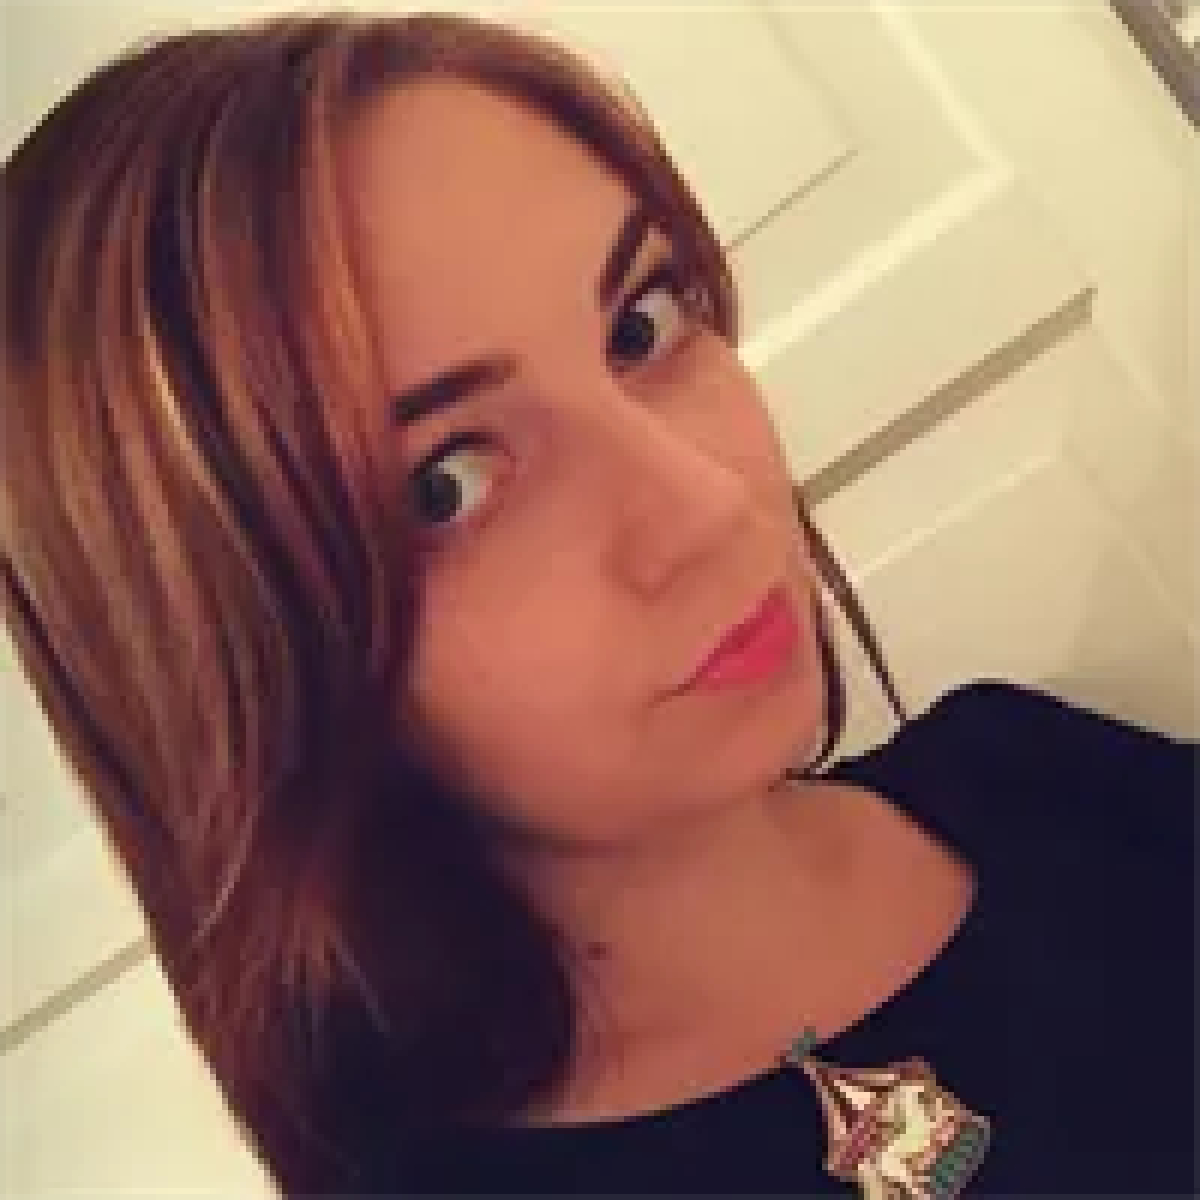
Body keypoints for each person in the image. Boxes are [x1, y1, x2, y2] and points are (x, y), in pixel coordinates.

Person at [1, 12, 1193, 1197]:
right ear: (241, 664)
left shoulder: (1025, 782)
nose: (707, 505)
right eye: (446, 483)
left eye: (642, 324)